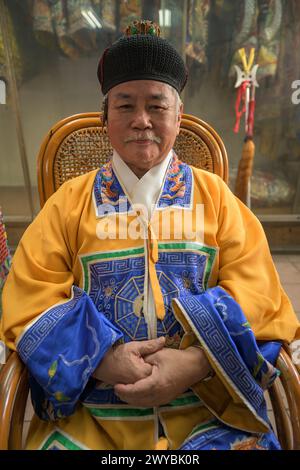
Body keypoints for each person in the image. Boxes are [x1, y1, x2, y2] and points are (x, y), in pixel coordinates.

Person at [1, 20, 299, 451]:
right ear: (105, 118)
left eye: (157, 106)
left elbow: (262, 297)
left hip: (207, 406)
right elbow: (27, 299)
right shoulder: (69, 203)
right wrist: (102, 359)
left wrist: (196, 362)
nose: (142, 121)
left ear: (179, 117)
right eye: (125, 106)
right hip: (93, 415)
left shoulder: (215, 198)